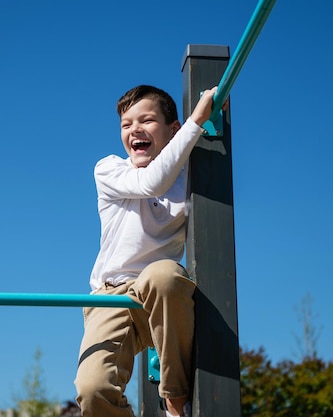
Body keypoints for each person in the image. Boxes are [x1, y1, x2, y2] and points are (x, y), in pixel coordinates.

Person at [74, 85, 225, 417]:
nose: (134, 130)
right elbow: (150, 183)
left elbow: (181, 167)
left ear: (173, 129)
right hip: (110, 297)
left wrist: (214, 114)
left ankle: (174, 401)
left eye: (146, 120)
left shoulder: (191, 176)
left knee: (164, 275)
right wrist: (198, 117)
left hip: (157, 296)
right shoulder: (110, 170)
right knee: (92, 390)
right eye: (126, 125)